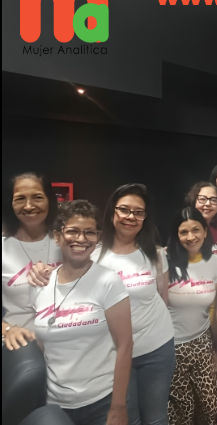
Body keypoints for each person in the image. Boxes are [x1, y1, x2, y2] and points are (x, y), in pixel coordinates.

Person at [27, 184, 176, 425]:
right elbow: (66, 273)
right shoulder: (92, 252)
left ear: (145, 218)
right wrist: (41, 270)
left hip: (155, 347)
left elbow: (163, 299)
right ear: (112, 212)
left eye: (138, 212)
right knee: (130, 418)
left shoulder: (155, 254)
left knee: (155, 417)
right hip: (113, 356)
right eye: (124, 209)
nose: (130, 216)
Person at [30, 200, 133, 425]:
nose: (81, 238)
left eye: (90, 232)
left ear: (97, 237)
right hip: (54, 404)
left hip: (101, 401)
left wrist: (118, 406)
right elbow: (40, 346)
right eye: (73, 231)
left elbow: (125, 346)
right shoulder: (41, 284)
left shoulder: (108, 282)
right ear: (57, 236)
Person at [167, 206, 217, 425]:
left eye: (196, 230)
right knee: (182, 411)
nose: (190, 237)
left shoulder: (215, 262)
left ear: (205, 232)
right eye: (183, 232)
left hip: (203, 342)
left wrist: (216, 346)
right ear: (176, 235)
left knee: (210, 406)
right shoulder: (164, 262)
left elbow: (214, 307)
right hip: (171, 346)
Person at [2, 172, 61, 349]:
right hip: (22, 343)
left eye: (37, 197)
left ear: (49, 200)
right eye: (20, 199)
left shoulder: (68, 241)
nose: (28, 206)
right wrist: (7, 330)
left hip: (68, 338)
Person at [185, 181, 217, 254]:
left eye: (213, 200)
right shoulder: (183, 231)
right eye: (202, 199)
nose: (208, 204)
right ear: (193, 201)